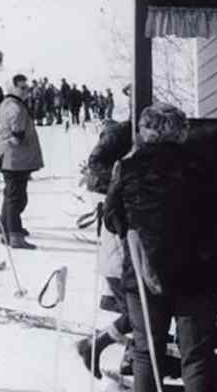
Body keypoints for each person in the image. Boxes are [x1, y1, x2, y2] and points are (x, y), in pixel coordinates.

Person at [103, 104, 217, 392]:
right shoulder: (203, 166)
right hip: (197, 273)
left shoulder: (130, 167)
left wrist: (129, 227)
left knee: (147, 353)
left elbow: (111, 217)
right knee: (196, 357)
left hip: (145, 271)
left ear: (148, 131)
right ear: (179, 131)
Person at [76, 118, 134, 378]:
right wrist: (117, 176)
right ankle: (96, 345)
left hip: (123, 256)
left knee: (138, 315)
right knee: (138, 315)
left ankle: (98, 345)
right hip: (121, 257)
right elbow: (95, 162)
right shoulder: (118, 133)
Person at [0, 75, 43, 249]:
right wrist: (14, 141)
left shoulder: (9, 104)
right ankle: (14, 235)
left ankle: (7, 229)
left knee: (11, 196)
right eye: (22, 88)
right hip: (15, 159)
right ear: (12, 88)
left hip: (11, 158)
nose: (25, 91)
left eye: (26, 88)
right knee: (17, 197)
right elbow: (17, 135)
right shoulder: (15, 107)